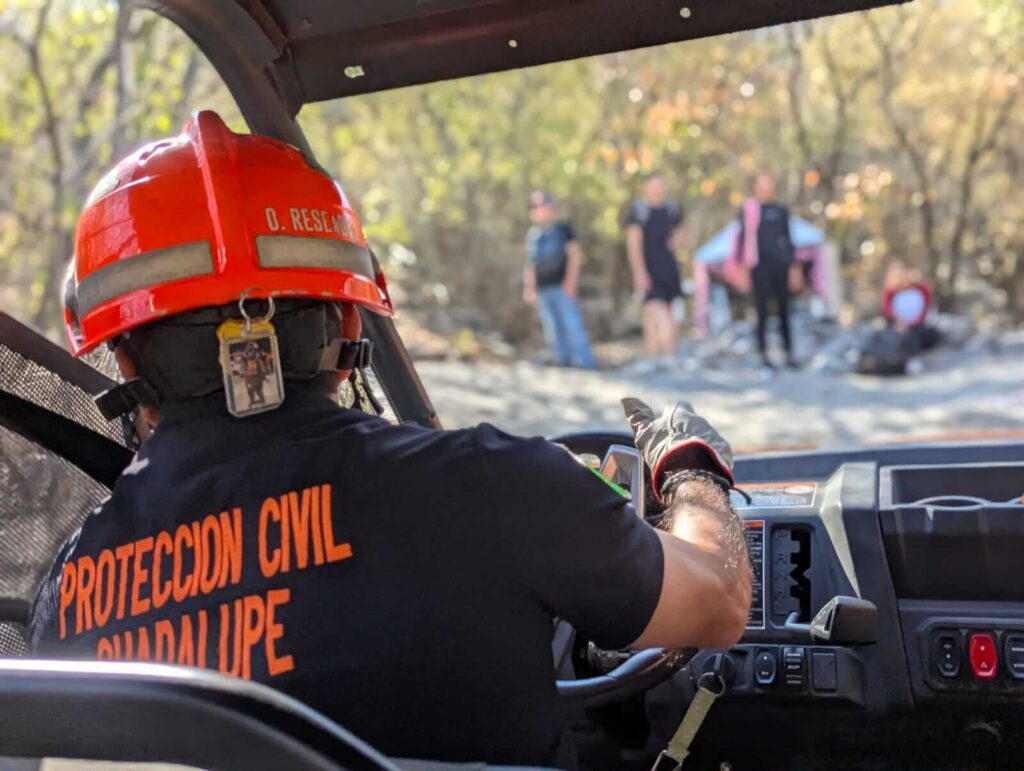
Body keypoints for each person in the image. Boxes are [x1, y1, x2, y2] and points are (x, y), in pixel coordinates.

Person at [31, 112, 751, 770]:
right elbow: (716, 599)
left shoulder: (67, 593)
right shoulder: (491, 485)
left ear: (122, 358)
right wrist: (691, 467)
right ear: (350, 325)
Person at [729, 172, 797, 371]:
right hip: (758, 268)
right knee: (761, 311)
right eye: (762, 182)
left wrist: (794, 268)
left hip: (781, 267)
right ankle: (764, 356)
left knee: (785, 310)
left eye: (769, 182)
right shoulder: (749, 210)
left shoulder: (781, 210)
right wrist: (742, 269)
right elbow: (741, 241)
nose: (766, 186)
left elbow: (789, 240)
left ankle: (788, 354)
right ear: (756, 186)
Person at [522, 190, 596, 368]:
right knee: (552, 328)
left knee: (572, 325)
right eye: (533, 206)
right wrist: (529, 288)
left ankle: (587, 363)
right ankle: (563, 362)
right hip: (543, 288)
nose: (536, 210)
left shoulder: (564, 229)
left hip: (562, 286)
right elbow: (531, 264)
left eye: (540, 205)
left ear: (550, 207)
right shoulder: (533, 235)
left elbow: (574, 256)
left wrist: (570, 283)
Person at [624, 174, 686, 361]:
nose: (657, 189)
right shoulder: (639, 211)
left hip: (669, 266)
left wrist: (677, 241)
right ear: (646, 188)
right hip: (648, 267)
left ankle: (670, 353)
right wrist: (639, 272)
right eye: (653, 185)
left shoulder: (672, 209)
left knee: (672, 311)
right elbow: (633, 244)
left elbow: (683, 229)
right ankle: (653, 354)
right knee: (651, 310)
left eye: (660, 185)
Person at [880, 257, 938, 372]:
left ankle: (914, 359)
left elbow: (923, 310)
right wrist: (899, 322)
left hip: (917, 326)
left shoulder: (921, 289)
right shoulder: (889, 293)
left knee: (919, 334)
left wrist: (912, 323)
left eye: (902, 272)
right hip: (896, 327)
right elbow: (888, 311)